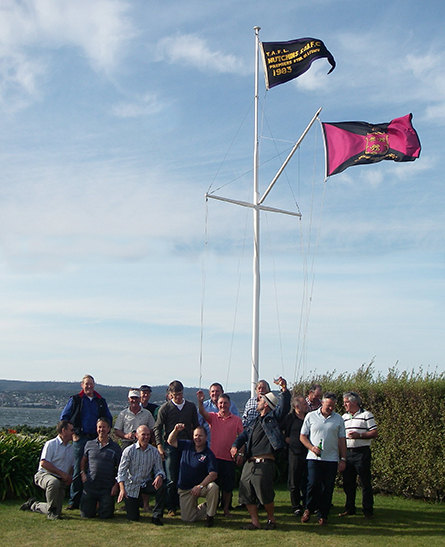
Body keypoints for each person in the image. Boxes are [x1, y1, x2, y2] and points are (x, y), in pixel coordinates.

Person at [231, 378, 290, 530]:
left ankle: (271, 520)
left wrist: (284, 389)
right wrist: (235, 446)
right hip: (249, 463)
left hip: (265, 463)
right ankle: (255, 522)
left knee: (265, 494)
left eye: (260, 401)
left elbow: (283, 408)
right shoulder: (254, 422)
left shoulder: (273, 419)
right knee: (245, 493)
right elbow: (243, 436)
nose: (257, 402)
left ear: (266, 404)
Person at [60, 374, 112, 509]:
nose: (89, 386)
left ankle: (92, 500)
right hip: (80, 438)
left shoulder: (100, 401)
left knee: (94, 469)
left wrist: (105, 434)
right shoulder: (76, 400)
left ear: (94, 385)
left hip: (95, 439)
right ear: (82, 385)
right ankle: (73, 501)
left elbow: (108, 418)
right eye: (86, 384)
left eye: (91, 384)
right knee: (78, 469)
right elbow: (64, 418)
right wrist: (72, 433)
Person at [300, 391, 347, 525]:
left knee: (328, 487)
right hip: (314, 458)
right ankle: (308, 509)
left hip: (331, 459)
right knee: (313, 484)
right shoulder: (311, 416)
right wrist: (311, 447)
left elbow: (342, 440)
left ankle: (323, 514)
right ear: (322, 403)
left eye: (333, 406)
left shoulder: (338, 419)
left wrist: (343, 459)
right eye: (328, 406)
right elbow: (302, 436)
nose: (331, 408)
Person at [154, 380, 199, 515]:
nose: (178, 397)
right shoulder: (165, 408)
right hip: (170, 446)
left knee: (186, 476)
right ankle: (171, 506)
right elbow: (157, 427)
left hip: (187, 445)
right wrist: (159, 445)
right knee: (171, 478)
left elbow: (195, 425)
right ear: (170, 395)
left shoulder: (190, 407)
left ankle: (185, 504)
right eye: (175, 395)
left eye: (180, 394)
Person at [197, 390, 243, 516]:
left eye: (225, 403)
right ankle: (212, 509)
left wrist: (241, 454)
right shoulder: (213, 417)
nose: (223, 405)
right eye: (221, 403)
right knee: (214, 486)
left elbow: (242, 438)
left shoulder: (237, 420)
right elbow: (202, 412)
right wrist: (200, 402)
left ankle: (226, 509)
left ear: (230, 404)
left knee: (228, 487)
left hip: (229, 458)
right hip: (214, 458)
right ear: (217, 405)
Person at [20, 420, 74, 520]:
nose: (73, 432)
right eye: (71, 430)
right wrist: (62, 474)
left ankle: (34, 505)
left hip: (60, 480)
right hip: (44, 475)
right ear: (63, 430)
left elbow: (71, 466)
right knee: (53, 482)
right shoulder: (51, 444)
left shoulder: (71, 448)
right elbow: (44, 463)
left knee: (57, 510)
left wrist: (69, 476)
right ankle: (51, 513)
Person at [167, 424, 219, 527]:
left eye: (200, 436)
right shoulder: (187, 445)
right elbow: (171, 441)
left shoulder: (209, 454)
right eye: (196, 435)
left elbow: (213, 474)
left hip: (201, 487)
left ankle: (210, 516)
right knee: (188, 519)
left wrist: (200, 486)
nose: (198, 438)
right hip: (186, 488)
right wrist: (175, 430)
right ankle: (207, 506)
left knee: (213, 487)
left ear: (206, 437)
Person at [117, 425, 166, 524]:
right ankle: (134, 504)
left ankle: (156, 516)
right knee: (133, 518)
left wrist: (159, 476)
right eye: (143, 434)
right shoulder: (129, 451)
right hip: (131, 485)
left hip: (145, 483)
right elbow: (121, 472)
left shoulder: (154, 452)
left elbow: (159, 469)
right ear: (137, 436)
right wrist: (122, 489)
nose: (146, 437)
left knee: (162, 487)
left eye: (148, 435)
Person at [340, 391, 378, 518]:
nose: (344, 405)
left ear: (355, 402)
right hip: (348, 453)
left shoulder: (366, 415)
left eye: (347, 402)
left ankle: (367, 510)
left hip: (362, 452)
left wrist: (360, 435)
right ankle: (349, 508)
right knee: (348, 482)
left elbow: (374, 432)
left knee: (365, 482)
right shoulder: (344, 417)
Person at [80, 417, 122, 519]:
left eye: (104, 427)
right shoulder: (89, 444)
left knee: (106, 516)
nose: (101, 430)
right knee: (86, 515)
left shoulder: (115, 448)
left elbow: (120, 467)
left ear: (108, 429)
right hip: (90, 486)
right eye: (99, 427)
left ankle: (100, 507)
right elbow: (83, 461)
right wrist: (82, 473)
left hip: (106, 487)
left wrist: (116, 485)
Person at [281, 394, 309, 517]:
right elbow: (279, 430)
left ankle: (308, 504)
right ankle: (296, 506)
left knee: (308, 481)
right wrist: (285, 439)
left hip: (308, 453)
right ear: (297, 406)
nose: (307, 406)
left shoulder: (309, 417)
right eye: (304, 404)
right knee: (294, 481)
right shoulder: (290, 418)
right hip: (294, 453)